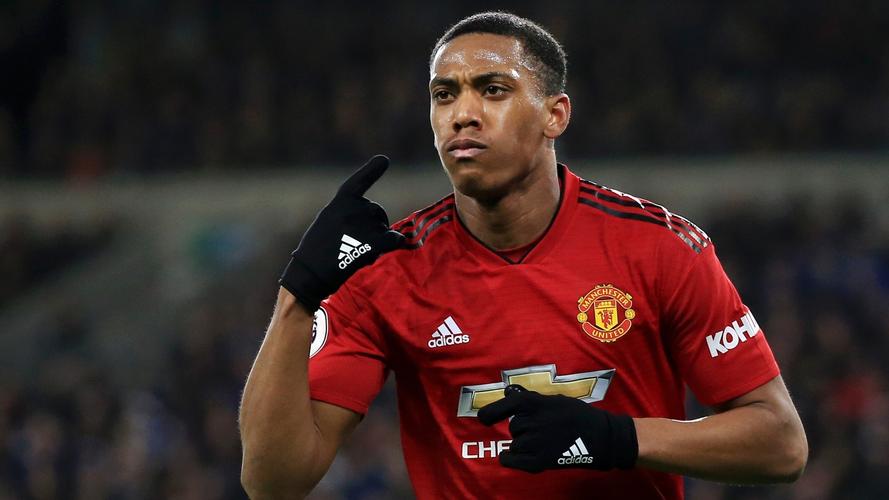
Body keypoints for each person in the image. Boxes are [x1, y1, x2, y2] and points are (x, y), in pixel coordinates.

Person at [239, 12, 808, 499]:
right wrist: (297, 295)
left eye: (493, 90)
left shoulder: (661, 248)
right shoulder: (390, 268)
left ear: (555, 115)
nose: (463, 113)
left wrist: (614, 438)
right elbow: (272, 483)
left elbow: (781, 444)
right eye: (444, 94)